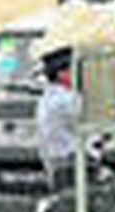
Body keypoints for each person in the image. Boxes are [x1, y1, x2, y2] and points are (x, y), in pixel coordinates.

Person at [34, 47, 81, 192]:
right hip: (72, 167)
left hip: (60, 166)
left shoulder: (49, 97)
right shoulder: (64, 100)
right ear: (62, 74)